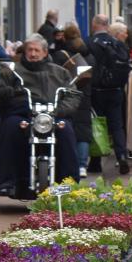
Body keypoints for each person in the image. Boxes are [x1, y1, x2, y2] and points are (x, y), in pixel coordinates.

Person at [0, 34, 80, 194]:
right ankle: (6, 181)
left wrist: (60, 109)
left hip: (52, 115)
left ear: (45, 52)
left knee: (66, 132)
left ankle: (68, 183)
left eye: (37, 50)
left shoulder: (60, 73)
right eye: (29, 50)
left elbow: (73, 94)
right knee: (11, 128)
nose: (33, 53)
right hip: (23, 115)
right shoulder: (12, 71)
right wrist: (9, 91)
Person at [87, 15, 132, 175]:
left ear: (94, 25)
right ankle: (121, 156)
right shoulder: (118, 44)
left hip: (97, 91)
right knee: (117, 126)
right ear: (107, 26)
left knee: (96, 125)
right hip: (116, 91)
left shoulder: (90, 43)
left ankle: (95, 162)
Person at [52, 44, 93, 178]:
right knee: (81, 131)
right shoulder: (87, 55)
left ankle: (70, 167)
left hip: (65, 99)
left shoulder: (58, 58)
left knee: (67, 131)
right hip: (82, 96)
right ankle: (81, 166)